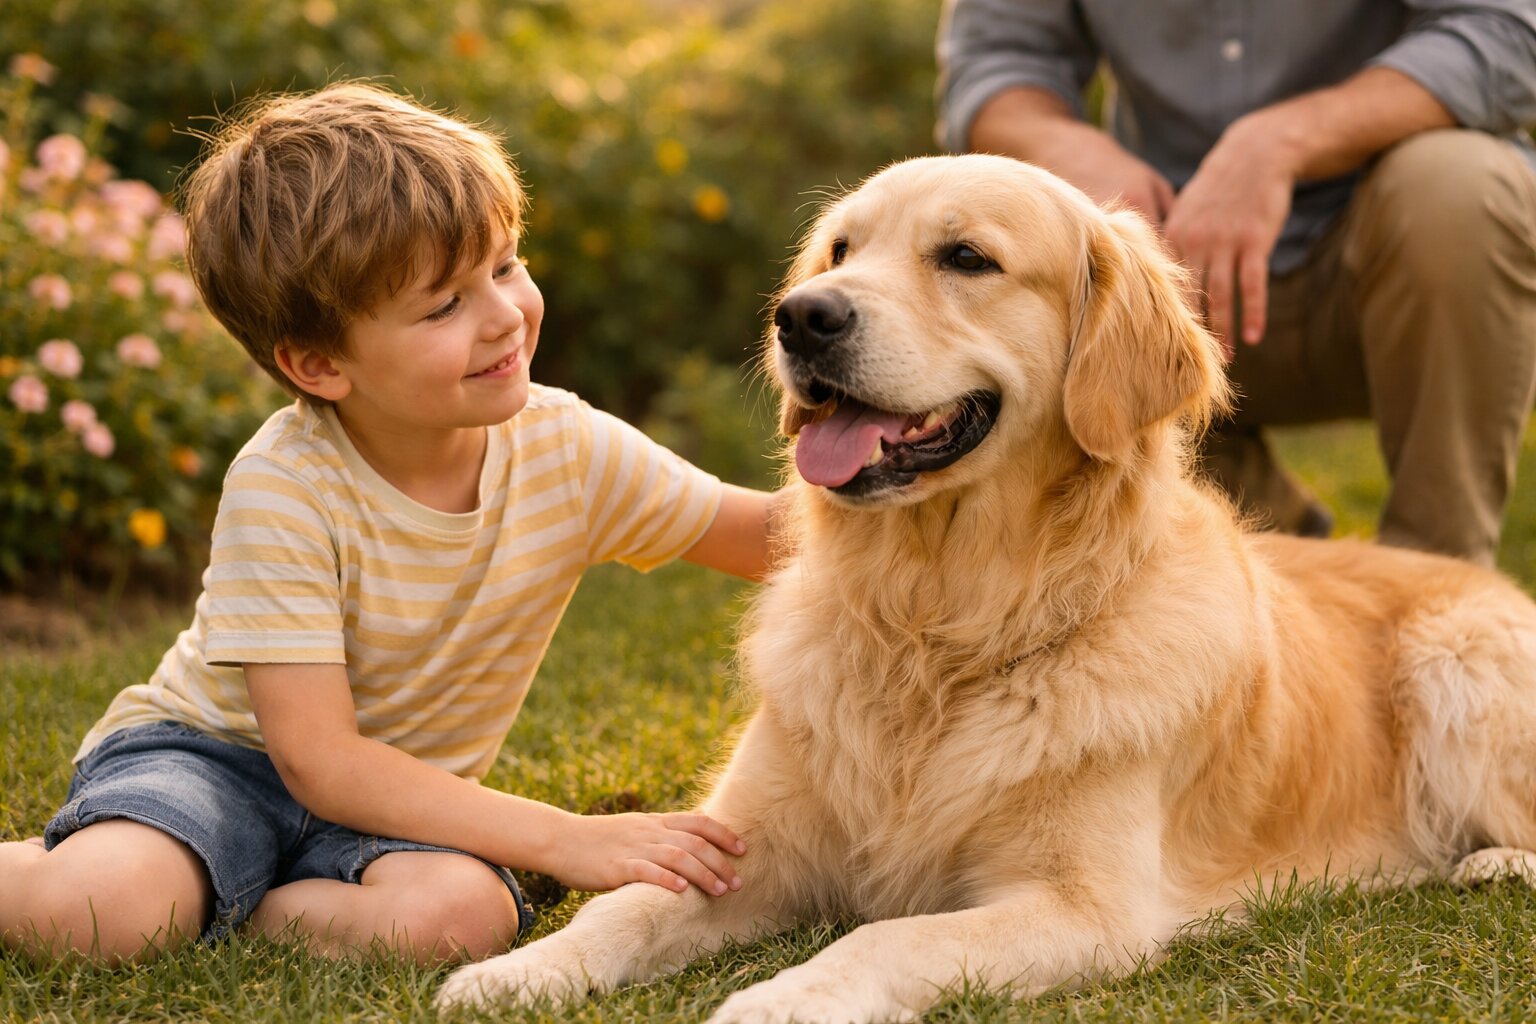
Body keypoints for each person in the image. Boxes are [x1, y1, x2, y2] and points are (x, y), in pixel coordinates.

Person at [0, 83, 779, 965]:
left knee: (461, 918)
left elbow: (771, 540)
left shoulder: (568, 450)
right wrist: (562, 838)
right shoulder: (286, 485)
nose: (505, 316)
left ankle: (230, 903)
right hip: (216, 762)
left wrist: (899, 465)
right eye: (444, 306)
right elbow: (320, 761)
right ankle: (145, 880)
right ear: (319, 364)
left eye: (506, 266)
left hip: (402, 805)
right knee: (105, 912)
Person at [937, 0, 1536, 565]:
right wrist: (1070, 154)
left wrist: (1284, 142)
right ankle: (1265, 530)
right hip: (1177, 277)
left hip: (1384, 267)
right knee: (1069, 283)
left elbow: (1508, 31)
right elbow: (994, 62)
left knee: (1460, 185)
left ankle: (1441, 577)